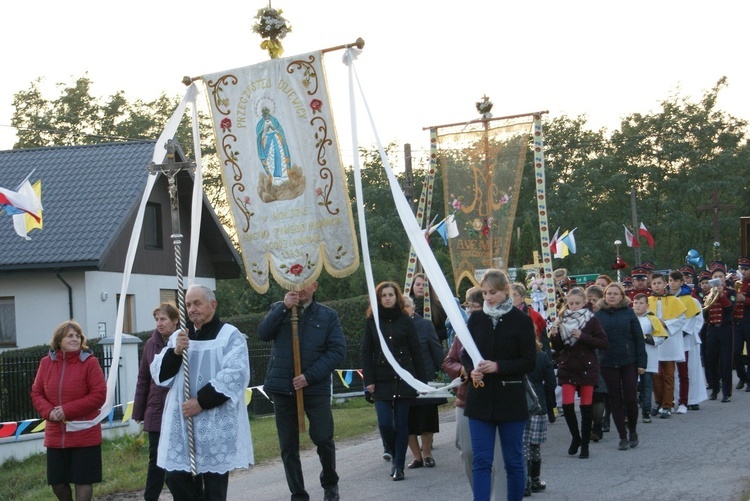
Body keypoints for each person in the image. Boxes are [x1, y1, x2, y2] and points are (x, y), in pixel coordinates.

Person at [151, 285, 253, 501]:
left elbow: (235, 374)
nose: (192, 309)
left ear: (212, 305)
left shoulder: (229, 335)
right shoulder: (180, 336)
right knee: (175, 476)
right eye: (188, 304)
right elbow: (161, 375)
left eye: (197, 303)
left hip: (214, 420)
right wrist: (176, 352)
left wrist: (201, 402)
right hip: (183, 421)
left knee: (214, 487)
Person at [257, 280, 345, 501]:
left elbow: (337, 352)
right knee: (288, 446)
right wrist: (283, 308)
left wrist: (309, 376)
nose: (300, 289)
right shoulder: (280, 309)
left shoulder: (328, 315)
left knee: (324, 438)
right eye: (295, 284)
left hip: (315, 389)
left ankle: (330, 484)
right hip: (282, 388)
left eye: (305, 284)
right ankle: (298, 494)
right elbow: (263, 333)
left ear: (315, 285)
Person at [461, 269, 536, 501]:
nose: (488, 297)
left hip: (510, 400)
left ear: (506, 291)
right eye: (484, 293)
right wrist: (472, 370)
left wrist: (498, 366)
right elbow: (466, 354)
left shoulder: (521, 320)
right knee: (481, 461)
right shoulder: (476, 318)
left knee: (513, 461)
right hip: (480, 400)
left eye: (492, 292)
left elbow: (529, 362)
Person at [31, 320, 107, 501]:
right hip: (56, 434)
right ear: (59, 340)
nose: (75, 339)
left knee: (83, 481)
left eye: (78, 336)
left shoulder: (90, 362)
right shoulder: (45, 363)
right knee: (57, 482)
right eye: (70, 336)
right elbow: (36, 392)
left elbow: (99, 395)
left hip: (84, 433)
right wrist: (49, 412)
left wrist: (66, 410)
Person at [443, 288, 507, 500]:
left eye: (475, 307)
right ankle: (481, 494)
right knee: (468, 452)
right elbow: (449, 361)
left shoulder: (502, 329)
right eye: (468, 307)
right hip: (467, 400)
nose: (470, 311)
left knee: (498, 457)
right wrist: (464, 371)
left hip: (497, 399)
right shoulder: (463, 332)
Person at [361, 281, 426, 482]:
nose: (388, 298)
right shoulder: (372, 321)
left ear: (397, 297)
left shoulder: (406, 320)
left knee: (401, 423)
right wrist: (369, 380)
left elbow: (416, 350)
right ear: (379, 299)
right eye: (384, 295)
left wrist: (420, 382)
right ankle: (392, 451)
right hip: (381, 379)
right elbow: (366, 352)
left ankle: (398, 465)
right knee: (385, 422)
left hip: (404, 377)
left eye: (391, 295)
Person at [548, 287, 608, 459]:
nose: (573, 306)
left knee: (585, 408)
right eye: (571, 303)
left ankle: (585, 444)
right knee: (567, 406)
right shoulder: (561, 319)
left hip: (586, 366)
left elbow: (603, 342)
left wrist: (583, 336)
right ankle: (576, 437)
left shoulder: (591, 320)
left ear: (584, 303)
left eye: (577, 303)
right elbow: (558, 348)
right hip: (568, 366)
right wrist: (554, 336)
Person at [132, 303, 179, 501]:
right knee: (156, 461)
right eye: (157, 319)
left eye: (163, 319)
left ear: (175, 320)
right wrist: (138, 411)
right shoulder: (151, 344)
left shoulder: (183, 340)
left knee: (175, 466)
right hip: (156, 410)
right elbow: (143, 378)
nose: (159, 324)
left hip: (176, 408)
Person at [595, 283, 646, 451]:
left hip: (628, 360)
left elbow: (638, 338)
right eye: (609, 293)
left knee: (631, 398)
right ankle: (622, 436)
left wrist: (641, 363)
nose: (611, 296)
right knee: (615, 399)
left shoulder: (629, 313)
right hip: (608, 362)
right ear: (604, 296)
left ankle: (633, 430)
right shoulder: (598, 315)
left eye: (615, 293)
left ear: (622, 296)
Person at [403, 296, 445, 469]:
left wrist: (442, 372)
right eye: (401, 306)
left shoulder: (425, 325)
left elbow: (436, 350)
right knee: (406, 420)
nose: (404, 309)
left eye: (407, 306)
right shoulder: (392, 328)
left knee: (427, 417)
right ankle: (416, 456)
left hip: (425, 378)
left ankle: (427, 453)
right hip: (404, 380)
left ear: (413, 308)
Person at [648, 272, 687, 418]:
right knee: (655, 375)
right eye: (654, 283)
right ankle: (658, 400)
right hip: (654, 342)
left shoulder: (674, 300)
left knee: (669, 375)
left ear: (665, 284)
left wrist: (666, 323)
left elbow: (682, 319)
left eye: (659, 283)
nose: (657, 286)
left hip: (669, 342)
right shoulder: (647, 300)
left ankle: (667, 404)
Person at [523, 339, 556, 495]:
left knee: (522, 444)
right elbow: (551, 383)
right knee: (534, 445)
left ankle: (524, 481)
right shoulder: (542, 357)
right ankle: (535, 479)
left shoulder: (515, 357)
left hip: (519, 403)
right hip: (538, 403)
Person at [632, 294, 668, 423]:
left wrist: (648, 338)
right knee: (633, 386)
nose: (638, 305)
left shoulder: (652, 319)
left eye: (641, 303)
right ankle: (631, 413)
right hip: (632, 357)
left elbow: (661, 337)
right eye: (636, 302)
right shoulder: (629, 318)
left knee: (647, 385)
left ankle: (646, 412)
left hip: (649, 356)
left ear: (647, 306)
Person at [704, 263, 736, 402]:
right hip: (711, 329)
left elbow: (730, 309)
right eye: (715, 277)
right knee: (711, 360)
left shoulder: (730, 292)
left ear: (725, 278)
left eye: (720, 276)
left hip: (725, 329)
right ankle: (715, 389)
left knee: (725, 361)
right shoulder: (708, 294)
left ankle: (726, 392)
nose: (718, 278)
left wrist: (721, 294)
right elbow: (705, 313)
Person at [410, 272, 448, 345]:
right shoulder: (404, 305)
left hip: (432, 347)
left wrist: (431, 335)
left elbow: (446, 329)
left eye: (424, 285)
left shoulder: (437, 306)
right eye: (418, 284)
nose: (421, 287)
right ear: (412, 286)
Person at [733, 257, 750, 390]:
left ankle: (749, 380)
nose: (742, 272)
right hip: (737, 321)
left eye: (745, 269)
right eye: (741, 269)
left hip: (748, 320)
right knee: (736, 352)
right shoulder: (735, 282)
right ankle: (742, 377)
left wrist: (745, 299)